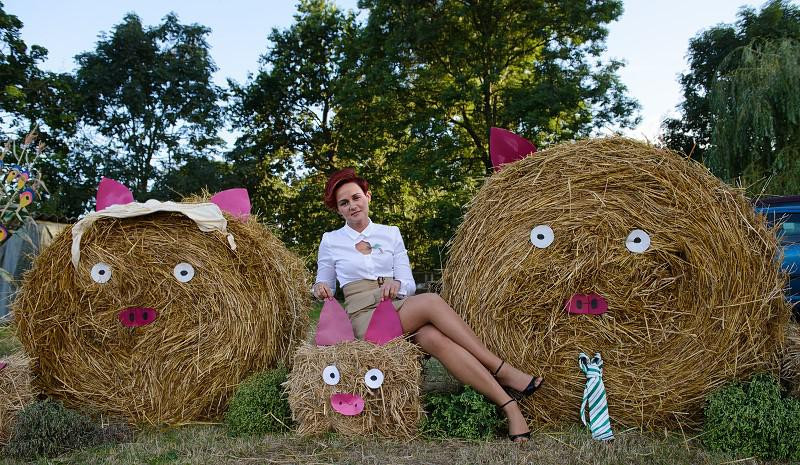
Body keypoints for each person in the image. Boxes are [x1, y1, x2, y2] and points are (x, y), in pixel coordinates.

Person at [312, 167, 543, 442]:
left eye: (356, 197)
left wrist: (396, 286)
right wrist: (319, 288)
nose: (352, 206)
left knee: (430, 337)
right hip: (363, 316)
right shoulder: (331, 240)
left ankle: (509, 405)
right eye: (344, 203)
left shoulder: (390, 233)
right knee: (432, 301)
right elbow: (322, 282)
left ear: (368, 197)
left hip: (392, 306)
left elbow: (408, 283)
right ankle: (500, 368)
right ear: (339, 210)